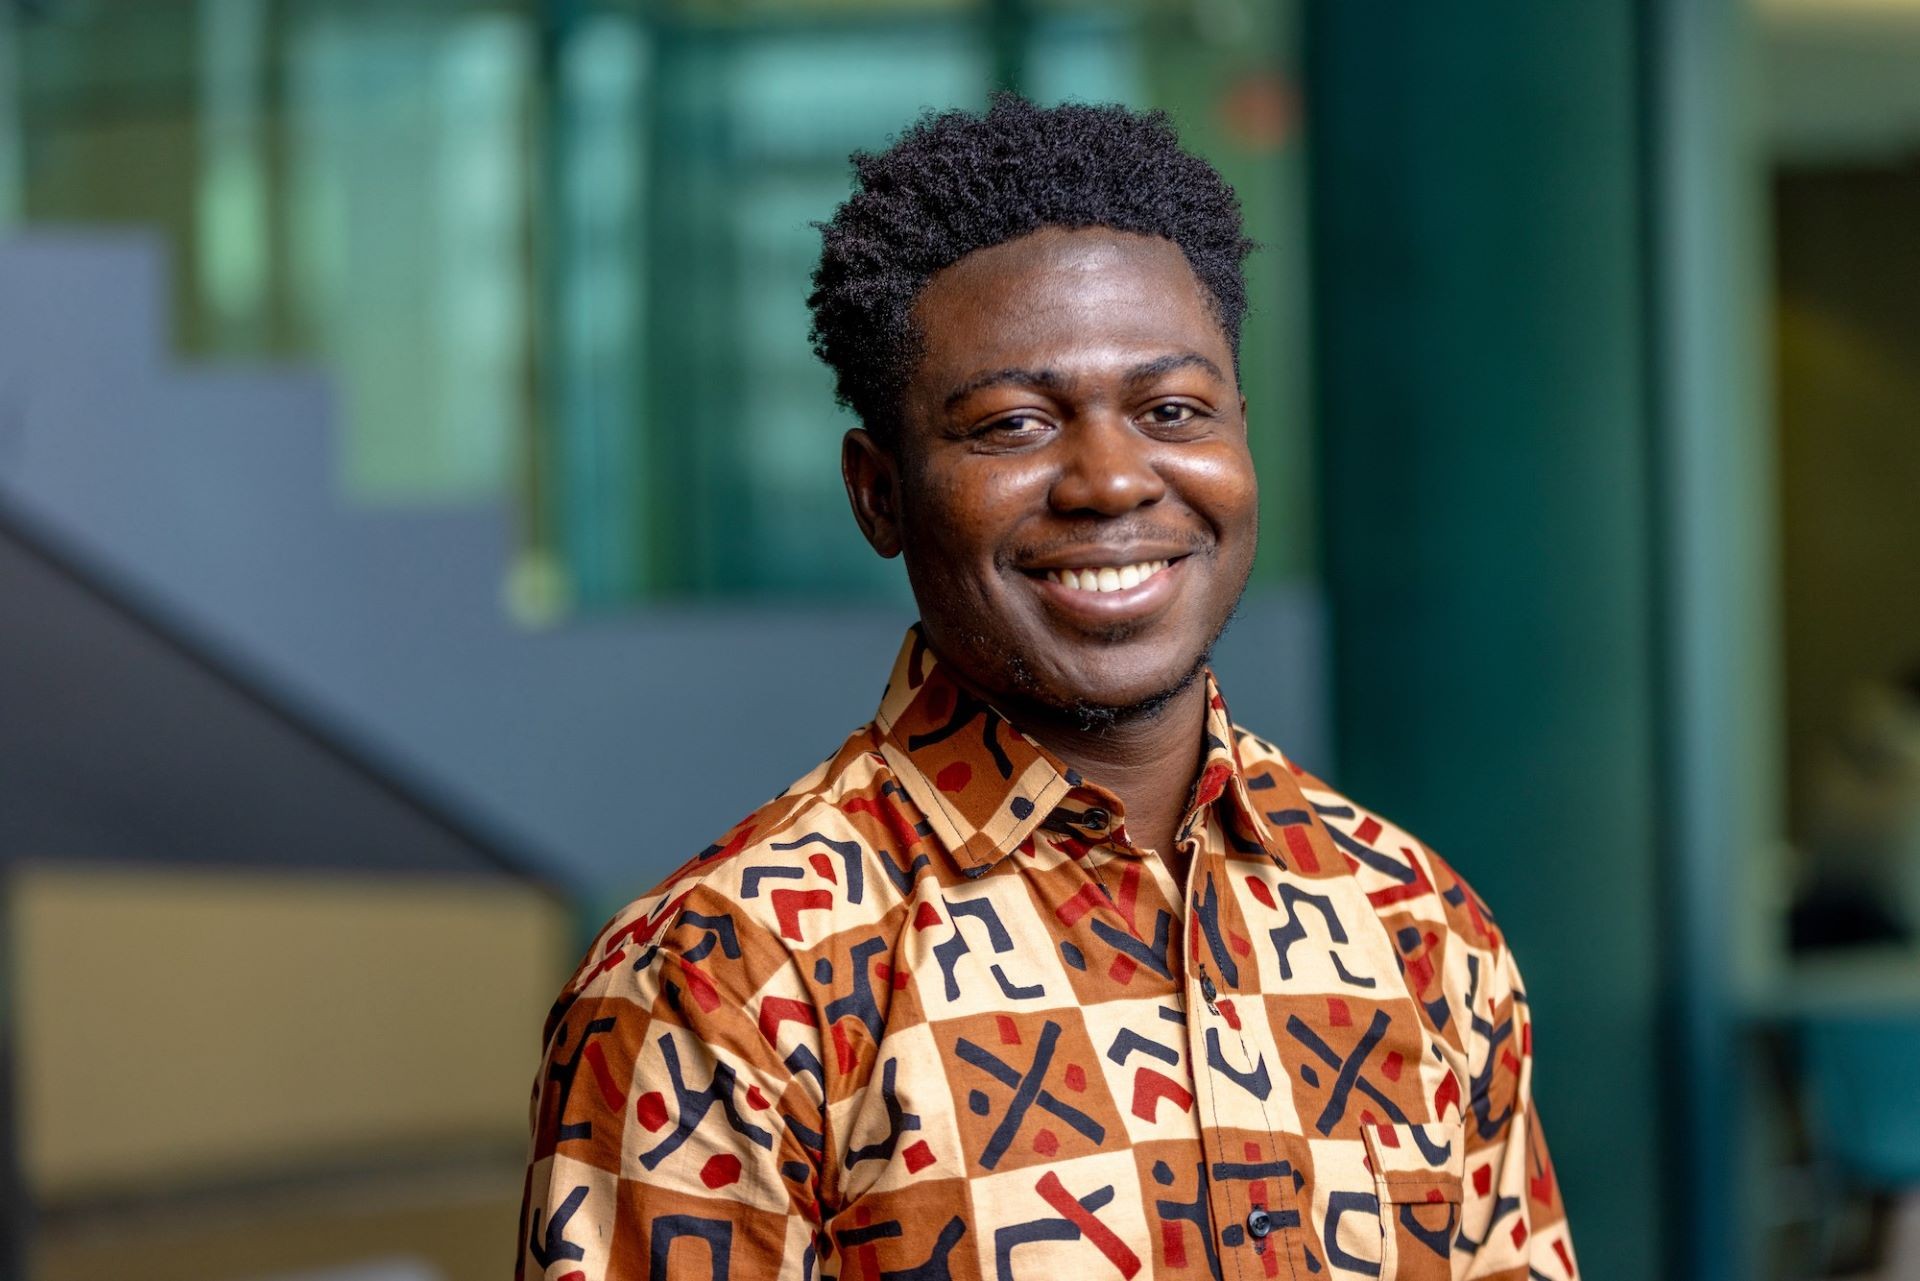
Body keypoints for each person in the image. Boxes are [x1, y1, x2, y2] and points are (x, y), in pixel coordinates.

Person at [517, 94, 1576, 1281]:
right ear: (879, 493)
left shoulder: (1419, 927)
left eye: (1173, 410)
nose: (1113, 480)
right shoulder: (726, 984)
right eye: (1014, 424)